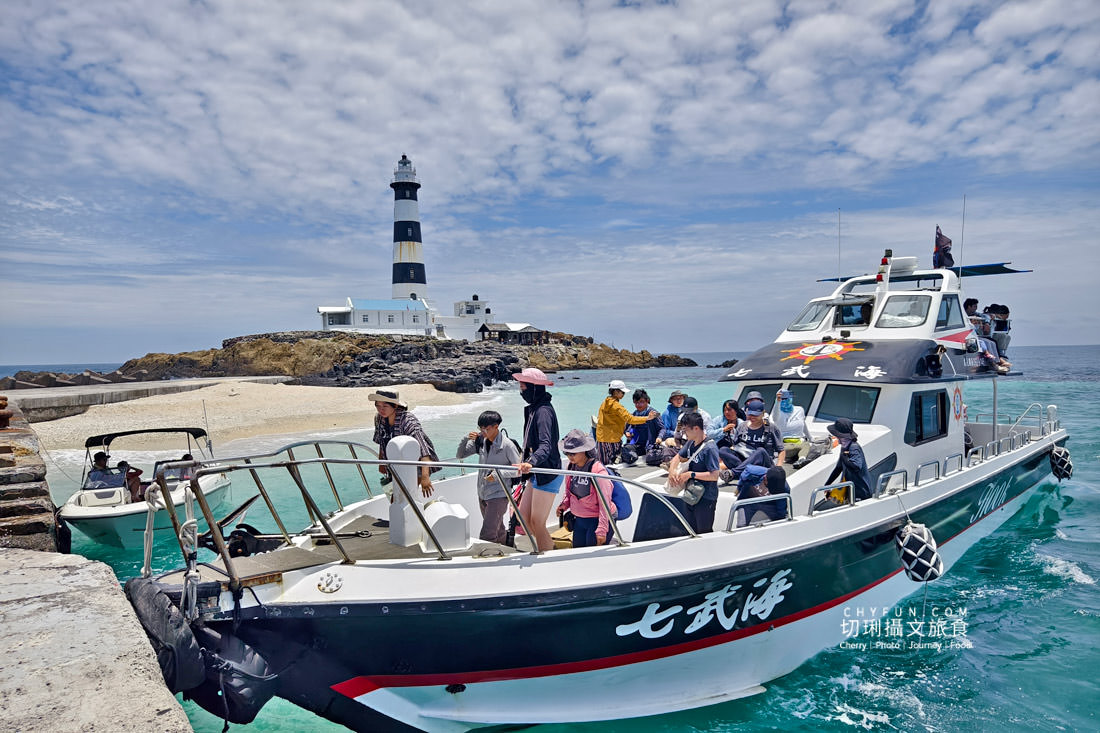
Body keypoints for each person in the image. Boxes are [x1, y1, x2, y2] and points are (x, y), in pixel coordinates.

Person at [513, 367, 562, 552]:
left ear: (534, 388)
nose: (521, 392)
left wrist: (531, 461)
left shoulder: (543, 411)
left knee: (537, 522)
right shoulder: (534, 408)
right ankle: (549, 547)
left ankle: (546, 554)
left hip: (547, 471)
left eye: (523, 387)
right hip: (536, 472)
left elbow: (546, 445)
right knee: (524, 518)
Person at [456, 410, 521, 544]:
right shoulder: (481, 441)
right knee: (498, 529)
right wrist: (466, 438)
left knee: (487, 534)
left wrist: (497, 474)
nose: (482, 431)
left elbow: (518, 470)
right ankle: (509, 550)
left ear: (496, 427)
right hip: (483, 494)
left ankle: (487, 555)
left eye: (485, 428)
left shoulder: (508, 445)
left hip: (499, 495)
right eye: (480, 428)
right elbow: (460, 455)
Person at [369, 388, 440, 499]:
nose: (381, 409)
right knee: (398, 498)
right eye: (378, 405)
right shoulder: (379, 419)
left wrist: (425, 477)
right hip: (396, 464)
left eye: (385, 406)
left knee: (402, 498)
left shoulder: (408, 421)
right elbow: (382, 441)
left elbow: (424, 451)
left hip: (417, 466)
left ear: (395, 406)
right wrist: (382, 462)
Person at [555, 429, 616, 547]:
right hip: (580, 519)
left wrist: (602, 529)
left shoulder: (597, 471)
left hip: (598, 519)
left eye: (573, 453)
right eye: (566, 453)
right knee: (578, 551)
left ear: (584, 450)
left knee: (592, 554)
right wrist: (565, 504)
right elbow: (569, 492)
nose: (569, 456)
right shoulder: (571, 467)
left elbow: (605, 502)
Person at [666, 411, 720, 533]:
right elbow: (678, 457)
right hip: (691, 494)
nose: (684, 434)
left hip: (706, 497)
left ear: (696, 429)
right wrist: (672, 471)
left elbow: (714, 475)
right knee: (690, 529)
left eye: (686, 430)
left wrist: (691, 474)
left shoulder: (710, 448)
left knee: (703, 531)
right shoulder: (690, 443)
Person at [718, 391, 784, 483]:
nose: (752, 417)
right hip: (744, 459)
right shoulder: (742, 426)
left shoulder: (771, 428)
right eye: (750, 414)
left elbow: (781, 450)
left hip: (763, 462)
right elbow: (735, 446)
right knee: (723, 450)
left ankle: (734, 473)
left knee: (760, 451)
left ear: (763, 413)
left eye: (756, 415)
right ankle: (745, 471)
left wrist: (779, 467)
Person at [596, 379, 660, 466]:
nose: (623, 394)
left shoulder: (604, 403)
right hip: (612, 440)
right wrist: (647, 418)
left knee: (602, 464)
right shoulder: (617, 406)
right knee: (611, 466)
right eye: (622, 392)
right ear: (616, 392)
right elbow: (630, 419)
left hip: (601, 438)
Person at [824, 418, 873, 502]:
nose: (839, 442)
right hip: (850, 489)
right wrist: (827, 485)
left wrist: (845, 457)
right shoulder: (844, 448)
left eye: (841, 438)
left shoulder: (854, 447)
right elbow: (838, 468)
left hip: (861, 491)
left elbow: (856, 467)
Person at [771, 389, 811, 462]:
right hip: (785, 445)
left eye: (786, 399)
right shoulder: (776, 413)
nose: (784, 401)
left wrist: (811, 438)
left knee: (806, 445)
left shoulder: (800, 410)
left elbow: (803, 425)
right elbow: (775, 416)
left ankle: (801, 460)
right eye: (782, 399)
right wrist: (777, 402)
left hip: (800, 442)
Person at [625, 389, 662, 454]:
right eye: (636, 402)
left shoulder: (654, 414)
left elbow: (662, 428)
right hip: (636, 444)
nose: (638, 405)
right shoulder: (634, 414)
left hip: (649, 446)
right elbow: (626, 428)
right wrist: (627, 432)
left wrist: (659, 437)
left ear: (647, 401)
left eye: (641, 402)